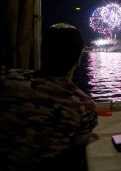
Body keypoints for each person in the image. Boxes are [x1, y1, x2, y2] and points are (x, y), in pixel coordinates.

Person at [0, 23, 98, 171]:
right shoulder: (83, 105)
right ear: (78, 60)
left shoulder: (8, 79)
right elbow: (78, 144)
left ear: (42, 53)